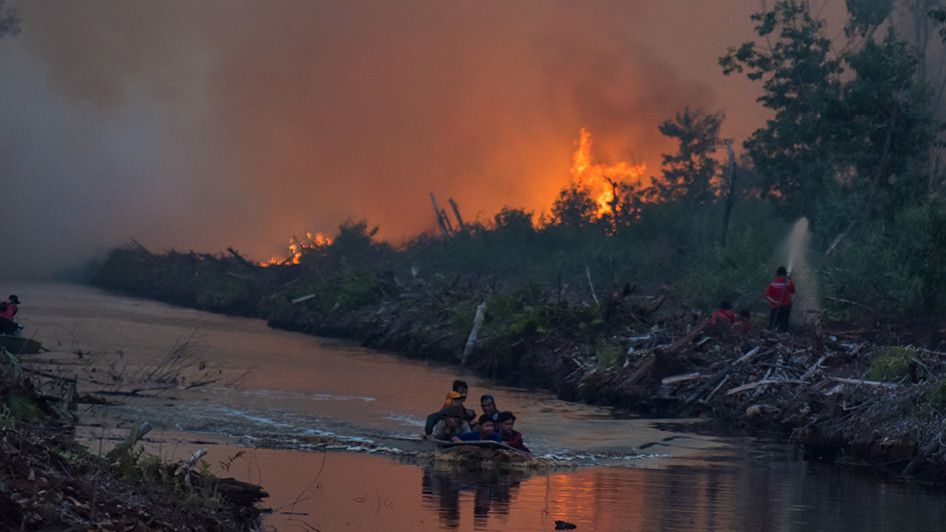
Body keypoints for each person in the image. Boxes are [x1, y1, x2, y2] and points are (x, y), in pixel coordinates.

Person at [765, 267, 795, 332]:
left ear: (777, 274)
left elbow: (767, 295)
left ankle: (771, 333)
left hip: (775, 306)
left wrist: (774, 302)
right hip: (786, 306)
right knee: (784, 323)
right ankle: (784, 334)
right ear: (784, 274)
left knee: (773, 323)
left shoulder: (773, 283)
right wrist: (790, 280)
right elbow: (793, 291)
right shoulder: (788, 283)